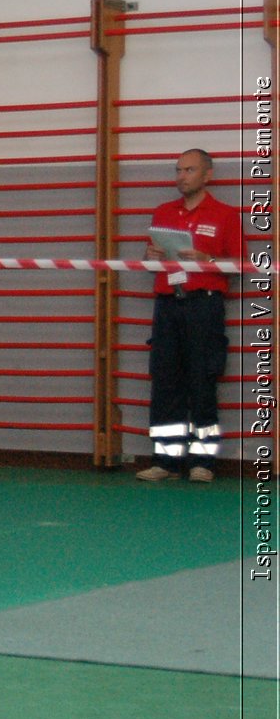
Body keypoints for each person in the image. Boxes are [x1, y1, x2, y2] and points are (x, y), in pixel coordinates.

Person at [137, 148, 243, 483]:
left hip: (204, 306)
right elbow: (152, 259)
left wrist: (206, 258)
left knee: (202, 381)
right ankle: (165, 460)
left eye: (189, 170)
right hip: (168, 304)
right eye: (178, 170)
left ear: (207, 175)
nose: (181, 176)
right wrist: (151, 255)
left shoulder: (225, 214)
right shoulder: (164, 212)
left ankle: (203, 462)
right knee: (166, 383)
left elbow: (239, 265)